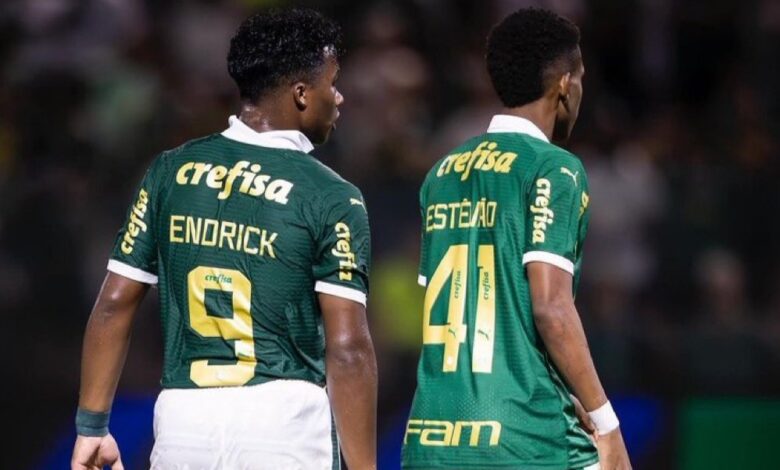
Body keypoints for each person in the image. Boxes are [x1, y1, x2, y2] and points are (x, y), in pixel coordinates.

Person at [70, 8, 377, 470]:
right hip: (284, 425)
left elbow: (114, 304)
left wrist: (92, 427)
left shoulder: (170, 171)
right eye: (332, 83)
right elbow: (349, 348)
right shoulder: (332, 196)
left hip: (183, 423)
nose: (339, 97)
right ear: (300, 93)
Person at [402, 8, 631, 470]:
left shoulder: (441, 174)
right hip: (526, 437)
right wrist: (606, 424)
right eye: (580, 78)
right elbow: (551, 308)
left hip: (432, 436)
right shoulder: (554, 168)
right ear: (564, 84)